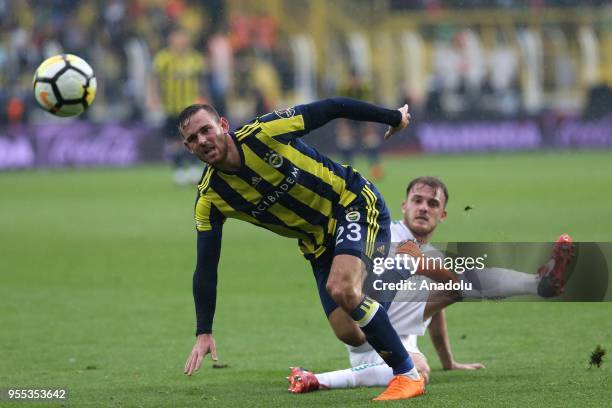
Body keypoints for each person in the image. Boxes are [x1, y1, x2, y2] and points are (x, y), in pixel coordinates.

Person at [179, 97, 426, 401]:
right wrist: (203, 330)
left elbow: (333, 107)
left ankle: (407, 375)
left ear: (223, 126)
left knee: (342, 288)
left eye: (206, 130)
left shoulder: (265, 133)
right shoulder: (210, 199)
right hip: (316, 243)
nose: (202, 140)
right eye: (193, 139)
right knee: (351, 332)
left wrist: (392, 117)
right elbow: (205, 266)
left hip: (351, 203)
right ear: (188, 148)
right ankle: (395, 279)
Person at [287, 176, 573, 393]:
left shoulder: (432, 255)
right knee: (456, 284)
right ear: (404, 205)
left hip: (403, 338)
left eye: (433, 203)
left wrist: (448, 360)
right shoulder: (385, 233)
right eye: (418, 200)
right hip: (368, 337)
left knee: (456, 288)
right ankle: (319, 380)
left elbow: (435, 308)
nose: (424, 208)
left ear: (443, 214)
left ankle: (541, 284)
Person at [151, 28, 206, 185]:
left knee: (194, 137)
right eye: (177, 37)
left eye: (183, 37)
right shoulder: (163, 58)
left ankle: (195, 168)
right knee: (174, 142)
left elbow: (202, 81)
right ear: (171, 39)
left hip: (191, 107)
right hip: (171, 107)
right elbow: (154, 79)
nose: (180, 41)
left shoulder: (195, 58)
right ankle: (180, 170)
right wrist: (153, 97)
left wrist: (206, 99)